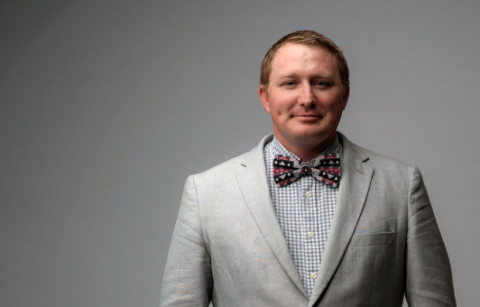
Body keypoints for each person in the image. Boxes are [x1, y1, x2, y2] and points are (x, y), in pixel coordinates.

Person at [159, 30, 456, 307]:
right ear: (265, 97)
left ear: (345, 96)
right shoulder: (206, 192)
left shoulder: (401, 185)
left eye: (321, 83)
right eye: (290, 83)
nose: (307, 99)